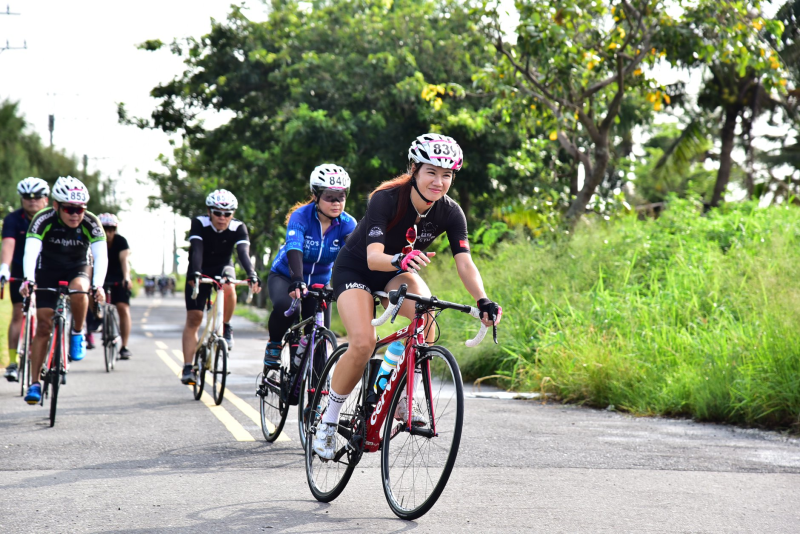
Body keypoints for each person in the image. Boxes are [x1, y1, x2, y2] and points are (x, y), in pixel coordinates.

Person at [312, 133, 502, 459]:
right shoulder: (386, 198)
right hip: (357, 270)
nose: (439, 182)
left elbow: (465, 262)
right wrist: (401, 259)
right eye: (431, 172)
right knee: (363, 343)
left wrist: (483, 299)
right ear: (414, 169)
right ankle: (328, 420)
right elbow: (374, 257)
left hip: (396, 272)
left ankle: (397, 390)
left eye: (447, 175)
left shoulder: (450, 212)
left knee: (426, 318)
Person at [19, 176, 107, 404]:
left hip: (78, 267)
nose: (75, 214)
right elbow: (31, 251)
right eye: (69, 209)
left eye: (80, 209)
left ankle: (77, 332)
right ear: (56, 205)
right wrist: (28, 280)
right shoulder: (42, 218)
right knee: (43, 326)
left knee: (80, 289)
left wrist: (98, 285)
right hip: (48, 269)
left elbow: (101, 256)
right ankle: (34, 383)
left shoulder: (91, 222)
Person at [264, 164, 356, 368]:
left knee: (320, 347)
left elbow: (353, 256)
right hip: (286, 276)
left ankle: (314, 384)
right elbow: (294, 247)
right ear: (315, 195)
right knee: (287, 307)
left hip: (319, 284)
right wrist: (297, 279)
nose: (336, 203)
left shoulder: (348, 224)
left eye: (341, 196)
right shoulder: (301, 216)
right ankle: (274, 343)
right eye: (329, 196)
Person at [180, 189, 261, 385]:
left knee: (229, 286)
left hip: (223, 267)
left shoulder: (238, 227)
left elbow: (243, 253)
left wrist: (252, 274)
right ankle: (188, 366)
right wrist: (195, 273)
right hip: (199, 268)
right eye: (217, 213)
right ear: (209, 212)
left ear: (232, 214)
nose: (222, 218)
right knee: (194, 318)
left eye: (227, 213)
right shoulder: (200, 223)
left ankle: (225, 325)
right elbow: (197, 250)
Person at [0, 178, 50, 382]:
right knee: (18, 314)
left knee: (47, 317)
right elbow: (8, 244)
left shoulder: (52, 219)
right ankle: (12, 362)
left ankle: (48, 357)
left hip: (47, 271)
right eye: (27, 197)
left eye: (37, 197)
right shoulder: (13, 219)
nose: (32, 201)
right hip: (20, 272)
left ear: (46, 199)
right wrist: (4, 268)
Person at [97, 213, 133, 359]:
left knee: (123, 308)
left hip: (118, 277)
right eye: (104, 229)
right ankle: (97, 319)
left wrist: (126, 278)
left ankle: (124, 346)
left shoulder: (121, 241)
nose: (108, 233)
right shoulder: (94, 241)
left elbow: (125, 261)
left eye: (111, 229)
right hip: (100, 276)